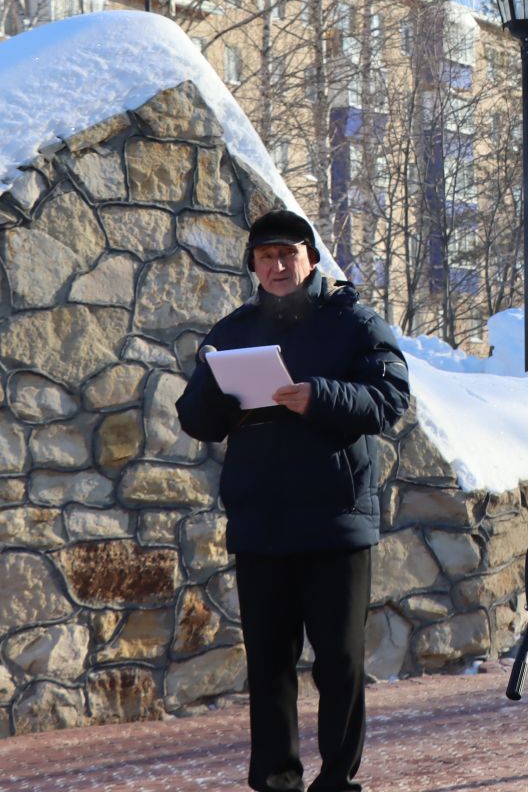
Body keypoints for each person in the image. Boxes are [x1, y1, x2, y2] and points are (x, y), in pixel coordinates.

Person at [175, 209, 410, 792]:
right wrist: (222, 398)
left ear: (310, 258)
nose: (278, 267)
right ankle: (276, 780)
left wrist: (319, 396)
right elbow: (195, 417)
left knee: (341, 663)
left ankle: (338, 779)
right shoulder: (232, 331)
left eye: (288, 255)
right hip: (262, 525)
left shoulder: (354, 321)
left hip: (335, 522)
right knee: (270, 667)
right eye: (265, 257)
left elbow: (390, 396)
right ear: (253, 265)